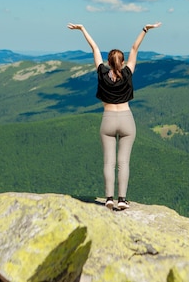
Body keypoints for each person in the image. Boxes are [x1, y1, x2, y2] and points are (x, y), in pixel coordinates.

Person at [67, 22, 162, 210]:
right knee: (123, 162)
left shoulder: (102, 73)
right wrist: (145, 29)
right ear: (123, 62)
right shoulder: (128, 73)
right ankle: (122, 200)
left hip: (108, 119)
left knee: (109, 162)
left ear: (108, 63)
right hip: (126, 119)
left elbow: (94, 48)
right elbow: (135, 48)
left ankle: (108, 198)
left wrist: (82, 29)